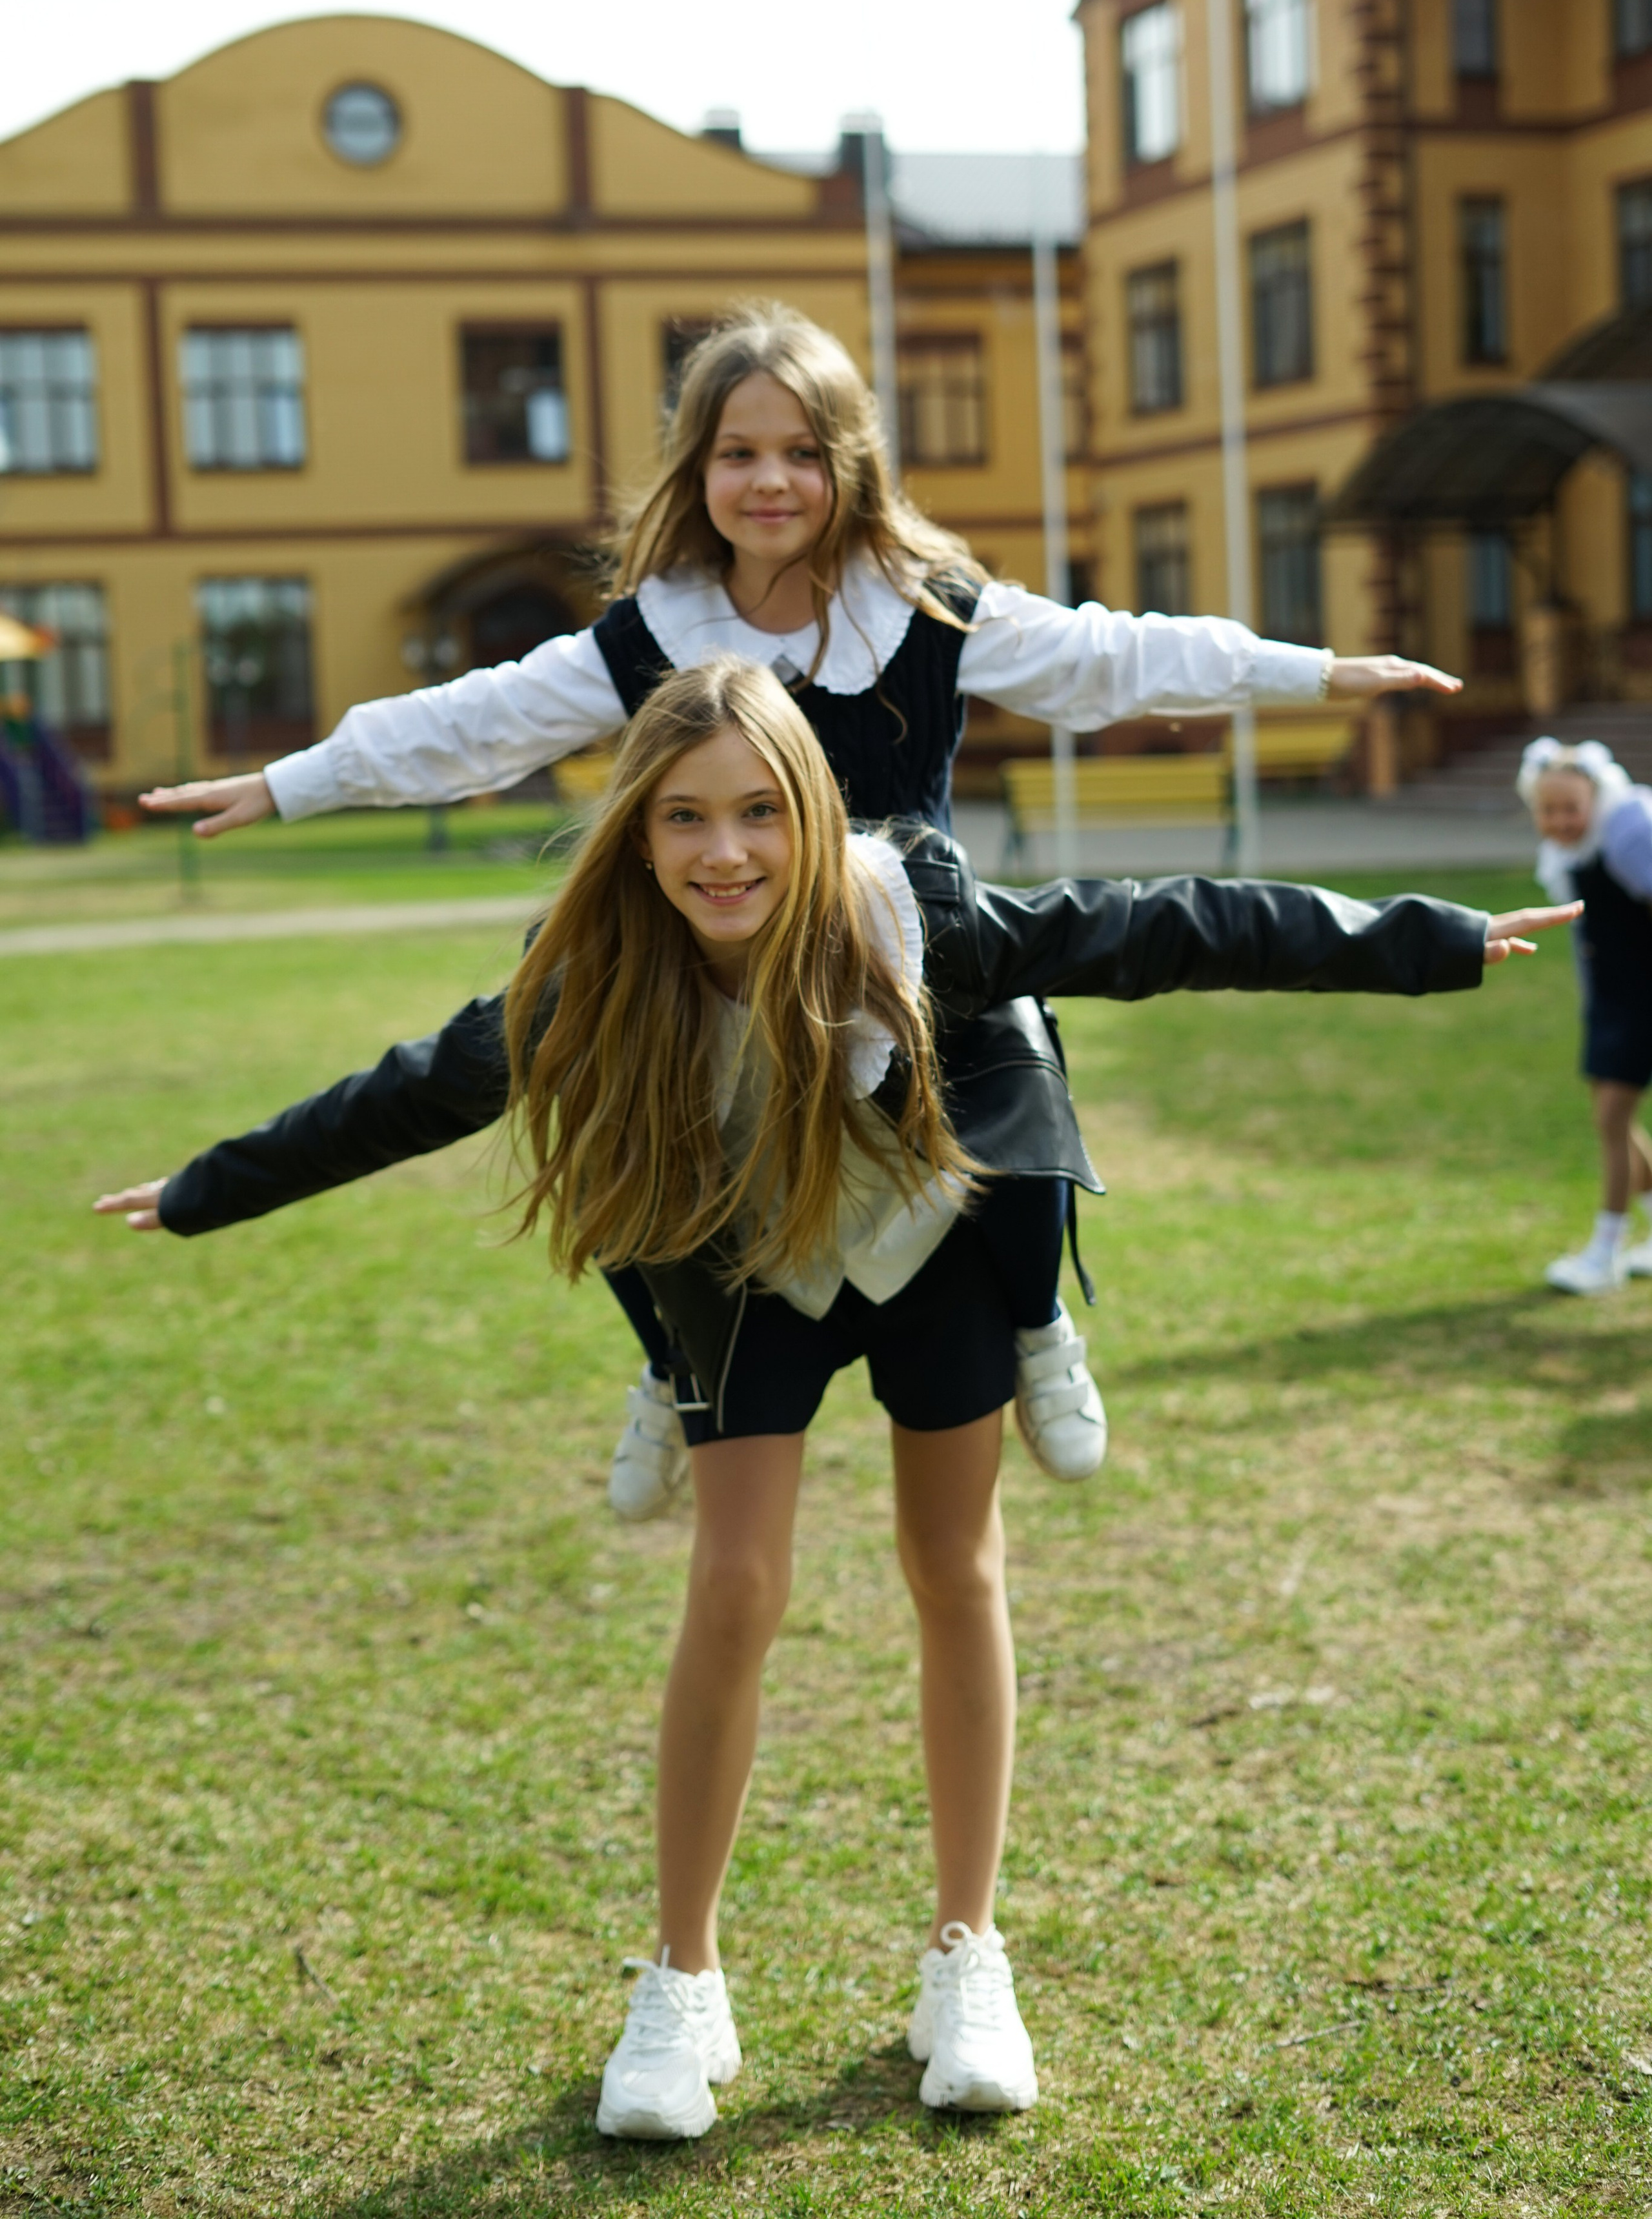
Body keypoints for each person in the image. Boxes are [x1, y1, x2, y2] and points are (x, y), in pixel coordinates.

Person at [99, 659, 1574, 2138]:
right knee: (732, 1582)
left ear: (809, 814)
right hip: (741, 1263)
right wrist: (214, 1186)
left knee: (953, 1565)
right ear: (637, 831)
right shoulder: (589, 969)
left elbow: (1155, 926)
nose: (723, 850)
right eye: (682, 818)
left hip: (927, 1240)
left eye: (756, 811)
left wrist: (1423, 939)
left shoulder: (907, 911)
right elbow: (412, 1090)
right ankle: (680, 1980)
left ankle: (965, 1954)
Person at [136, 303, 1463, 1523]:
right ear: (696, 472)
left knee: (1016, 1072)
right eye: (736, 452)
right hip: (712, 962)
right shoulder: (651, 632)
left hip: (914, 954)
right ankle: (673, 1365)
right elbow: (476, 719)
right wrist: (291, 781)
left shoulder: (925, 606)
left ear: (850, 464)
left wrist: (1314, 672)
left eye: (798, 451)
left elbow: (1104, 655)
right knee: (624, 1131)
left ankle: (1040, 1320)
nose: (768, 481)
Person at [1517, 736, 1652, 1293]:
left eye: (1572, 808)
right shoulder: (1572, 854)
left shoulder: (1628, 836)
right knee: (1614, 1118)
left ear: (1594, 800)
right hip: (1612, 1001)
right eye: (1549, 810)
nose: (1562, 820)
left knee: (1610, 1119)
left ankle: (1605, 1252)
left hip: (1642, 998)